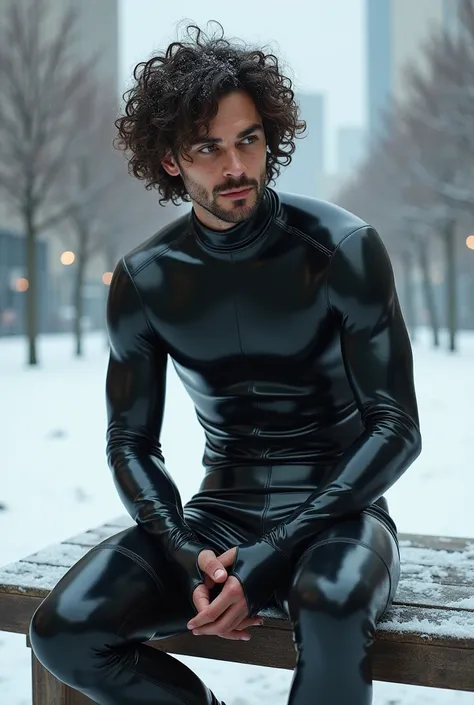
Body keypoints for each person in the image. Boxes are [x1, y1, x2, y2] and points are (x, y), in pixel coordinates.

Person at [29, 22, 421, 705]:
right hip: (218, 517)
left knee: (329, 606)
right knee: (62, 630)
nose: (235, 167)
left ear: (270, 137)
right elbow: (129, 441)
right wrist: (184, 550)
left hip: (341, 514)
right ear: (173, 160)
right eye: (208, 148)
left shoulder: (343, 248)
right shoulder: (146, 277)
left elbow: (396, 426)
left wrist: (276, 551)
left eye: (248, 140)